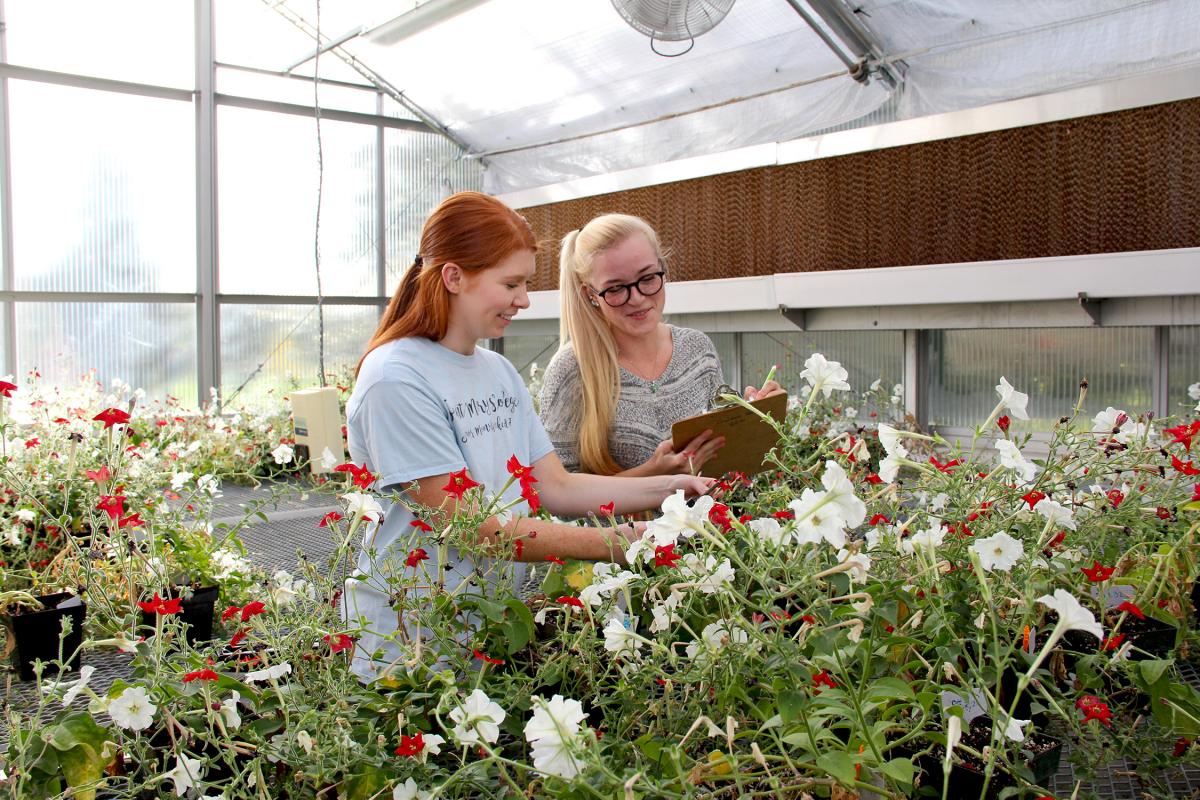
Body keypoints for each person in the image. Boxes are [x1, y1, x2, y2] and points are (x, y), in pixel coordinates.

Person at [342, 192, 710, 680]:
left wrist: (670, 489)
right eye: (510, 283)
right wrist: (614, 542)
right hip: (411, 639)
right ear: (454, 277)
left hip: (494, 625)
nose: (524, 299)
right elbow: (470, 527)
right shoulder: (397, 378)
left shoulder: (496, 371)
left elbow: (554, 485)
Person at [539, 214, 783, 477]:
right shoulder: (572, 369)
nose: (637, 298)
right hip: (624, 521)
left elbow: (720, 460)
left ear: (663, 269)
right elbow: (557, 493)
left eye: (647, 278)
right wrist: (651, 475)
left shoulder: (697, 351)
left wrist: (750, 417)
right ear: (590, 294)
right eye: (616, 288)